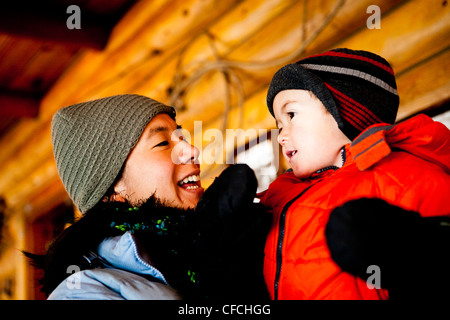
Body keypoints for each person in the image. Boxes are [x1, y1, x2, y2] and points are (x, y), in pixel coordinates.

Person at [25, 94, 271, 300]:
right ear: (111, 192)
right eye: (163, 143)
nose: (192, 150)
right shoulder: (83, 293)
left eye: (182, 138)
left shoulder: (218, 241)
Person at [259, 48, 450, 300]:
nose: (281, 136)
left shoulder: (406, 177)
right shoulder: (281, 197)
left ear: (344, 113)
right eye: (279, 125)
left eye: (291, 115)